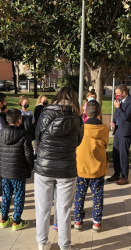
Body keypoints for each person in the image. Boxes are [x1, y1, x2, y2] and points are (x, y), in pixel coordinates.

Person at [34, 86, 84, 250]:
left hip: (44, 167)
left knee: (43, 208)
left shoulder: (45, 113)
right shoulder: (77, 118)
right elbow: (78, 141)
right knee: (64, 210)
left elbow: (38, 138)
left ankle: (42, 243)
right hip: (66, 168)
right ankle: (65, 246)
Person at [74, 100, 109, 232]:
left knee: (79, 196)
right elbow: (105, 145)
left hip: (81, 168)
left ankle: (77, 220)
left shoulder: (80, 128)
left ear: (85, 112)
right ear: (99, 113)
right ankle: (97, 222)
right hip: (97, 168)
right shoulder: (104, 129)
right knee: (97, 196)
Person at [0, 109, 34, 231]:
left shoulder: (1, 133)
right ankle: (16, 221)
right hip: (18, 172)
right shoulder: (24, 135)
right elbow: (28, 154)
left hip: (5, 171)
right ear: (19, 120)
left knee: (6, 195)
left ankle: (3, 219)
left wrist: (1, 165)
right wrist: (30, 168)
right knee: (18, 196)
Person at [107, 84, 131, 185]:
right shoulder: (118, 102)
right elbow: (117, 115)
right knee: (115, 153)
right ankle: (116, 173)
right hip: (118, 130)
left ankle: (125, 176)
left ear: (124, 93)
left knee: (123, 154)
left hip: (126, 131)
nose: (116, 95)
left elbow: (126, 117)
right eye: (116, 94)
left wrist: (118, 107)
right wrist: (114, 122)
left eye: (118, 93)